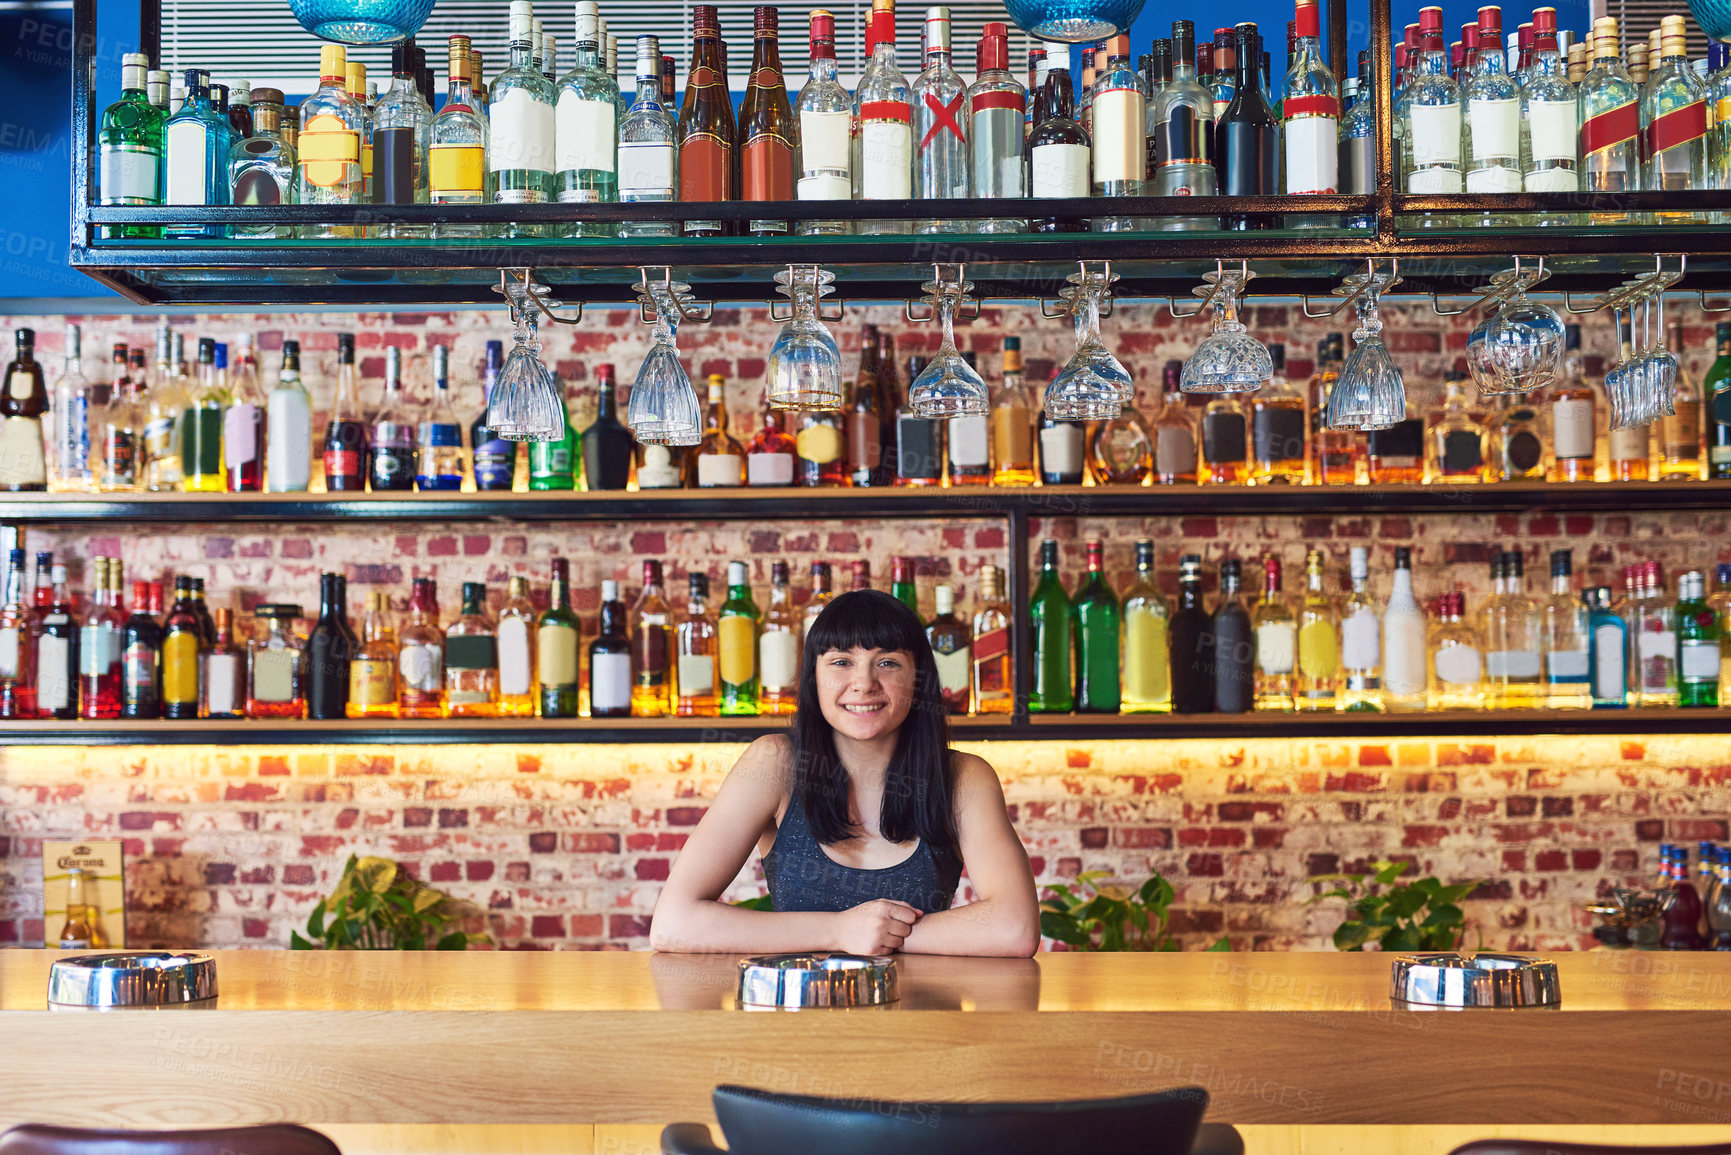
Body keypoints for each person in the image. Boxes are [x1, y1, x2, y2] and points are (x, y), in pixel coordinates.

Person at [649, 587, 1039, 956]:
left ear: (918, 679)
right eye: (841, 662)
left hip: (921, 1020)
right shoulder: (775, 763)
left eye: (887, 663)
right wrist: (840, 931)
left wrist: (875, 933)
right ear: (813, 677)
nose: (864, 683)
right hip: (804, 1018)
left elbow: (1014, 928)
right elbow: (673, 923)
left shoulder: (964, 778)